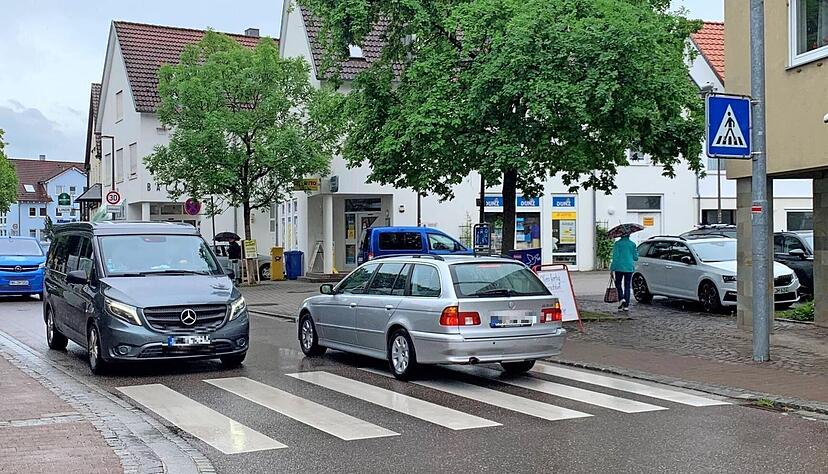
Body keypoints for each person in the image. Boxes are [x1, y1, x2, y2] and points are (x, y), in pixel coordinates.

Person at [610, 235, 639, 311]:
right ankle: (626, 306)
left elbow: (615, 257)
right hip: (629, 267)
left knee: (618, 284)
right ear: (629, 235)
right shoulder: (632, 244)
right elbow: (636, 258)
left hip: (619, 267)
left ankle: (621, 299)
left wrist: (612, 268)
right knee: (627, 286)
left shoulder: (617, 244)